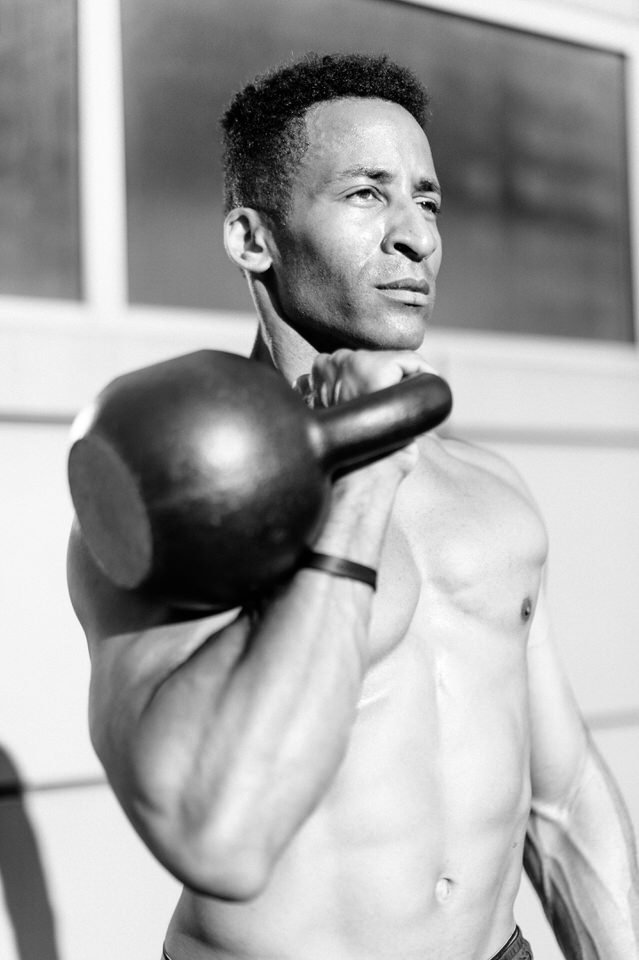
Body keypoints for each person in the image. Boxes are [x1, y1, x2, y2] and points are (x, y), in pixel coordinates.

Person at [67, 52, 639, 960]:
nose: (417, 237)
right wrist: (359, 479)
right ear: (253, 239)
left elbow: (558, 807)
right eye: (368, 195)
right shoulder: (180, 490)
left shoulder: (490, 494)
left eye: (428, 200)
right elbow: (217, 833)